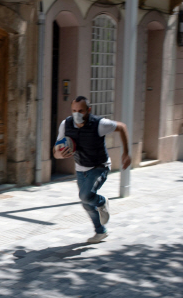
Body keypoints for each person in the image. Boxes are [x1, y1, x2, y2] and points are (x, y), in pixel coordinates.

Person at [53, 96, 131, 243]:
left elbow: (122, 127)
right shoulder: (66, 124)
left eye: (81, 111)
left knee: (85, 196)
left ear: (88, 110)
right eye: (74, 110)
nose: (77, 114)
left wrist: (126, 153)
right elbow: (56, 150)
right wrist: (59, 154)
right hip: (81, 167)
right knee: (86, 202)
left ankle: (102, 202)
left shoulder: (100, 124)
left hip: (99, 166)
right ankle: (101, 232)